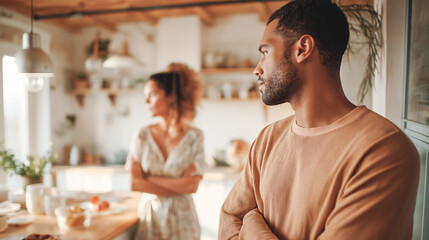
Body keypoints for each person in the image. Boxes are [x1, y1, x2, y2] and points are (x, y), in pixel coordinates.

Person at [219, 0, 420, 239]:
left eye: (265, 52)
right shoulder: (267, 139)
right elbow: (229, 219)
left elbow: (241, 220)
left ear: (302, 49)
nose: (257, 69)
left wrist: (252, 223)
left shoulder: (383, 150)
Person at [126, 64, 205, 240]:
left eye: (152, 95)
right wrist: (179, 185)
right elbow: (135, 184)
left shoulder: (195, 137)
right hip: (150, 220)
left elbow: (192, 185)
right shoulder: (141, 136)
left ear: (170, 97)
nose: (146, 102)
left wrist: (148, 180)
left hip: (184, 222)